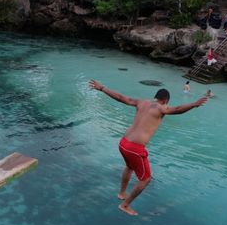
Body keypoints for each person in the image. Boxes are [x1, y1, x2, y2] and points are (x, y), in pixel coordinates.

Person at [89, 79, 208, 216]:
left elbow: (122, 98)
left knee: (130, 167)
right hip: (135, 148)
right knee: (145, 179)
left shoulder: (141, 102)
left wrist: (102, 88)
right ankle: (125, 205)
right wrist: (194, 104)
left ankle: (122, 193)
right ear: (165, 100)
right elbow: (177, 109)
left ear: (156, 97)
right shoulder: (161, 107)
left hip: (123, 143)